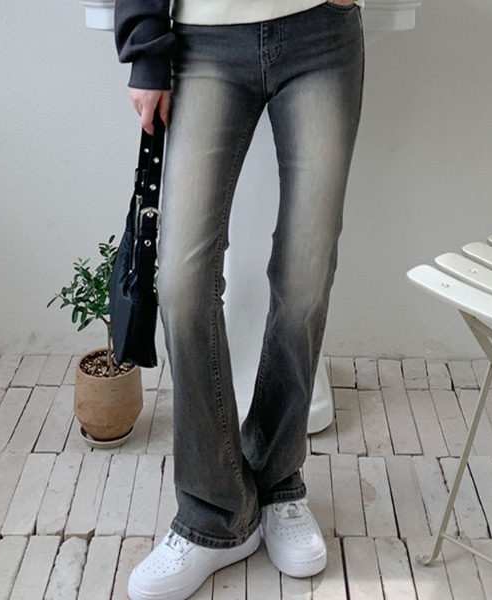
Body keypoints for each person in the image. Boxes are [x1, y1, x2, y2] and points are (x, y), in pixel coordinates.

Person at [114, 1, 365, 599]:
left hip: (320, 34)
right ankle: (214, 511)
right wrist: (145, 46)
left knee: (305, 278)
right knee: (181, 283)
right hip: (203, 40)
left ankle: (278, 481)